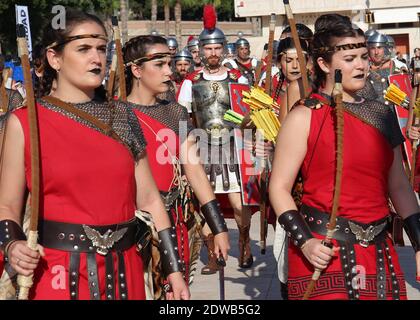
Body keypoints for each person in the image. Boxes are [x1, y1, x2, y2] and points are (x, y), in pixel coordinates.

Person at [0, 9, 189, 300]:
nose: (97, 58)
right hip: (58, 272)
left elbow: (150, 199)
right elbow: (7, 208)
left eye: (102, 49)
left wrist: (173, 269)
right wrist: (13, 245)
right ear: (55, 58)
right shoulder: (25, 122)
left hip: (125, 272)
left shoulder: (123, 116)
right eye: (84, 49)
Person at [269, 13, 420, 300]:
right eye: (350, 59)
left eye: (363, 56)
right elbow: (278, 188)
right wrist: (305, 243)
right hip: (323, 251)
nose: (362, 65)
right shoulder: (304, 115)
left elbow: (399, 185)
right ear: (324, 64)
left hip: (378, 250)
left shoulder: (382, 114)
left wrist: (419, 243)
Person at [123, 34, 230, 289]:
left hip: (177, 221)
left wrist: (218, 226)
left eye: (170, 64)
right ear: (136, 70)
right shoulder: (115, 114)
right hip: (135, 227)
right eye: (159, 65)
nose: (169, 71)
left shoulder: (175, 112)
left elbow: (194, 170)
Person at [178, 5, 255, 271]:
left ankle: (244, 244)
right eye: (208, 49)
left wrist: (248, 142)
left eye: (217, 48)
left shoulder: (237, 78)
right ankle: (213, 254)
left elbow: (247, 116)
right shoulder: (190, 81)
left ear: (223, 49)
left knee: (238, 203)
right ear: (200, 50)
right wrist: (184, 153)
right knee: (203, 204)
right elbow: (183, 118)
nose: (212, 53)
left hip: (232, 148)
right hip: (202, 148)